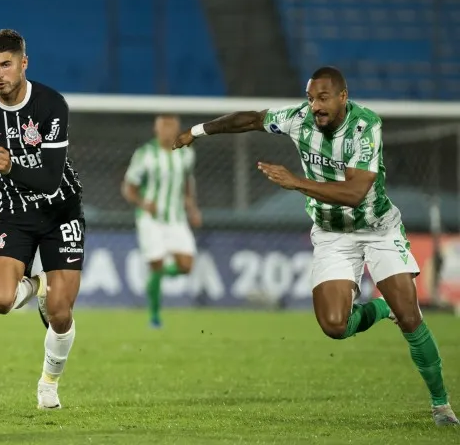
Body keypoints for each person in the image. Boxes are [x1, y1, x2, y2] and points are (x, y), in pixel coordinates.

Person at [172, 66, 458, 427]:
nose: (315, 106)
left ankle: (441, 405)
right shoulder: (299, 119)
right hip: (332, 234)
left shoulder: (364, 127)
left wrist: (296, 182)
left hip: (377, 229)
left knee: (412, 318)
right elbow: (250, 119)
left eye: (322, 99)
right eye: (310, 98)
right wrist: (198, 131)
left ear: (342, 97)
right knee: (334, 325)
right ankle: (381, 309)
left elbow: (355, 194)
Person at [0, 29, 84, 409]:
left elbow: (51, 177)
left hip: (60, 211)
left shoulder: (51, 105)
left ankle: (48, 384)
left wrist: (9, 169)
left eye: (6, 64)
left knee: (60, 313)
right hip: (13, 214)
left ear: (24, 63)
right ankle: (39, 285)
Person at [121, 114, 201, 328]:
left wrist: (192, 208)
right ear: (157, 130)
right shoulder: (145, 154)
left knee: (186, 266)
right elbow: (128, 188)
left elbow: (187, 183)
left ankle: (152, 282)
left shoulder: (186, 154)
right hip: (150, 219)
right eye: (163, 128)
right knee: (156, 264)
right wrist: (143, 203)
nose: (167, 132)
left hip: (176, 218)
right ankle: (155, 317)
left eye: (171, 127)